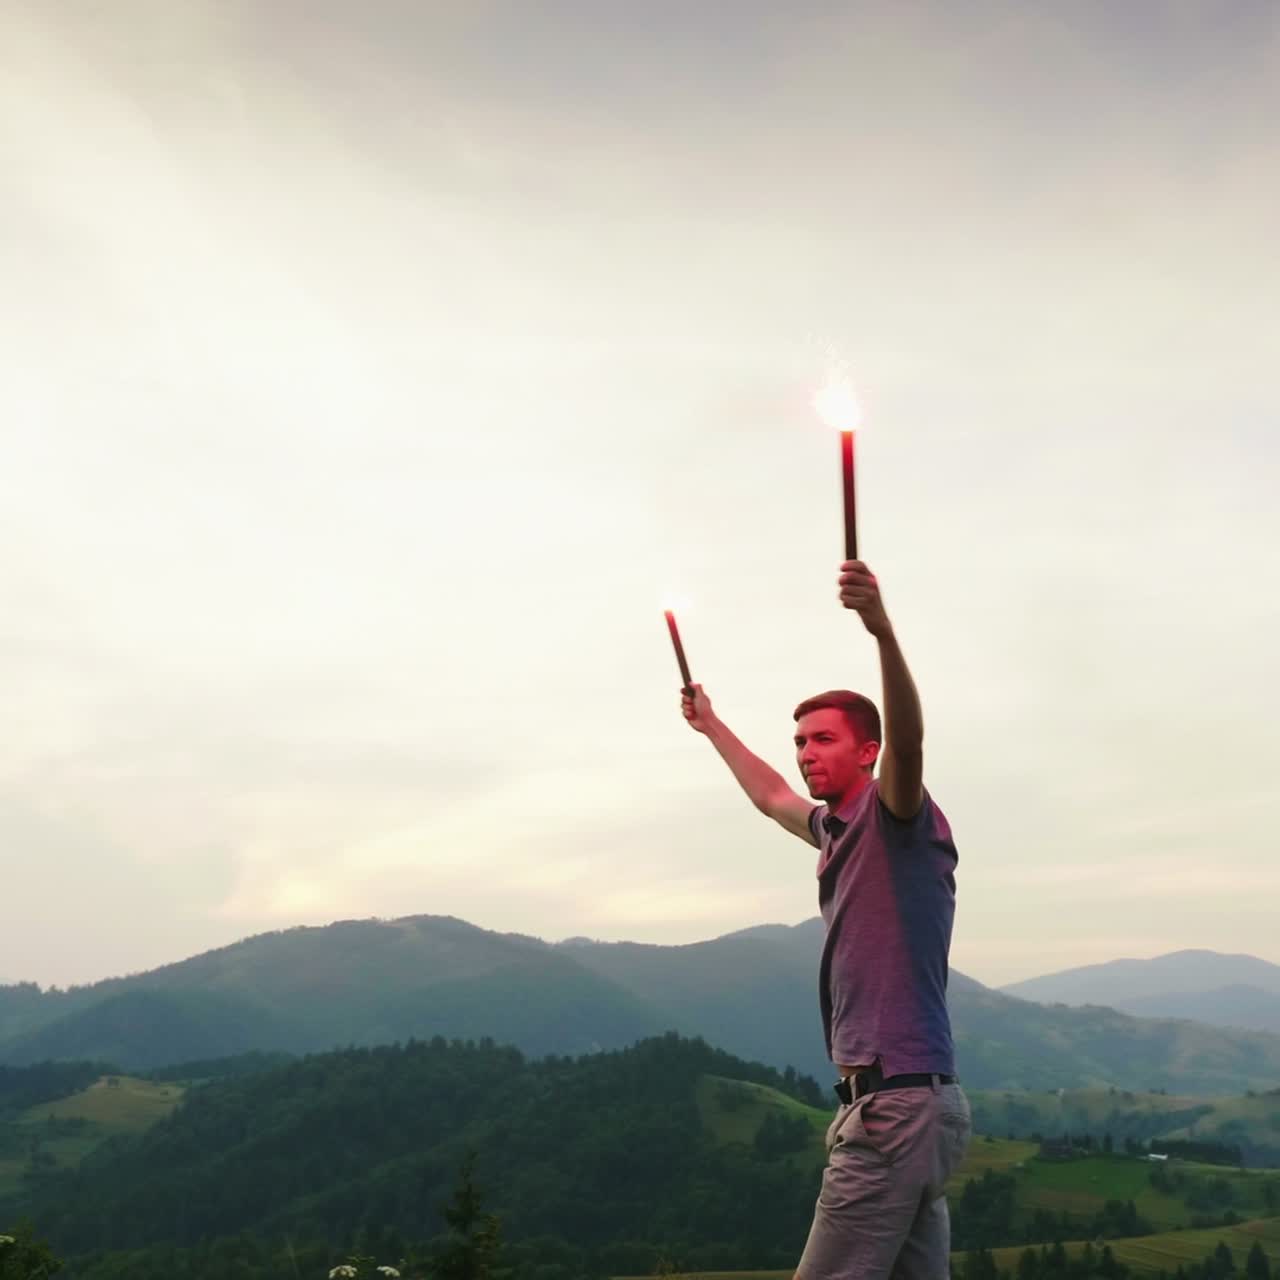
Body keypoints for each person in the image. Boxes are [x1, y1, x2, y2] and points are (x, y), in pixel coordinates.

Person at [681, 559, 971, 1280]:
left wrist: (880, 630)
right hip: (916, 1105)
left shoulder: (895, 815)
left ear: (865, 751)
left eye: (824, 739)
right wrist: (712, 725)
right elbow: (771, 796)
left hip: (893, 1109)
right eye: (801, 741)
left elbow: (909, 745)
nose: (807, 753)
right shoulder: (837, 830)